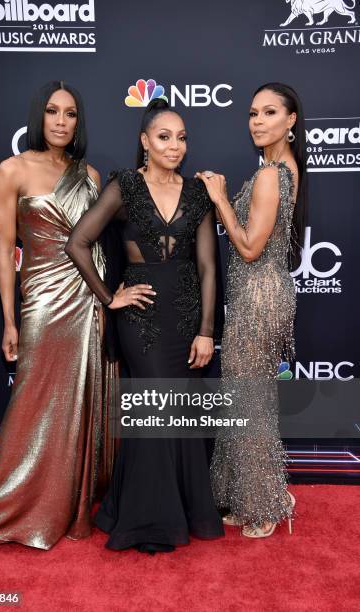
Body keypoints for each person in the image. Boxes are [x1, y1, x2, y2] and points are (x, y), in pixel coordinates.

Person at [0, 81, 117, 558]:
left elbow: (92, 244)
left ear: (78, 121)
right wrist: (9, 321)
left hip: (89, 298)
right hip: (44, 300)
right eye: (53, 111)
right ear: (40, 116)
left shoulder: (89, 174)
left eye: (70, 113)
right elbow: (5, 252)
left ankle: (71, 503)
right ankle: (10, 509)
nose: (61, 121)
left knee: (82, 402)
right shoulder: (12, 170)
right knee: (32, 403)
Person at [66, 98, 224, 553]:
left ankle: (183, 506)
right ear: (144, 141)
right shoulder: (124, 187)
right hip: (142, 319)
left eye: (181, 137)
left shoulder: (198, 193)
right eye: (164, 137)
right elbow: (78, 242)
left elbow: (208, 268)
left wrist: (207, 330)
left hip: (188, 316)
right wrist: (109, 296)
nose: (175, 146)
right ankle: (150, 519)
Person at [196, 82, 307, 538]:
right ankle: (247, 496)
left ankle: (266, 504)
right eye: (252, 113)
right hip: (259, 295)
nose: (257, 121)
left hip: (259, 298)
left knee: (251, 405)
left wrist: (220, 196)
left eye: (269, 112)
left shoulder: (269, 175)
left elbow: (247, 247)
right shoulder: (283, 169)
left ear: (291, 121)